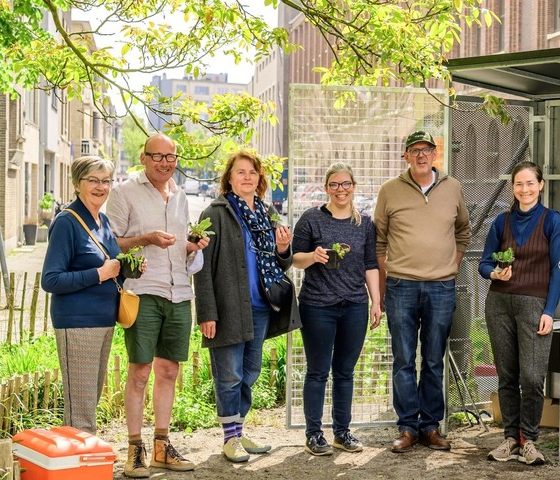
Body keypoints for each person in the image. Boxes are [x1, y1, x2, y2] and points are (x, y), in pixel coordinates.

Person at [108, 133, 210, 478]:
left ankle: (162, 447)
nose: (165, 163)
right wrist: (146, 238)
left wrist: (191, 247)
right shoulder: (123, 193)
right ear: (143, 157)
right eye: (158, 156)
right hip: (143, 291)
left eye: (171, 157)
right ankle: (134, 450)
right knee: (139, 372)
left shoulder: (181, 196)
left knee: (169, 371)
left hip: (179, 292)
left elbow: (177, 246)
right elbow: (113, 243)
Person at [193, 150, 299, 463]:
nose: (247, 177)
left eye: (252, 172)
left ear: (260, 178)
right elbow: (201, 267)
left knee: (250, 372)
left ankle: (238, 432)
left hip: (260, 307)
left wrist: (283, 248)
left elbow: (281, 264)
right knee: (229, 375)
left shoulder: (267, 214)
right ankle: (229, 440)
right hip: (227, 307)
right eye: (240, 172)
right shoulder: (215, 214)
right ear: (229, 178)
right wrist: (207, 313)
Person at [374, 130, 471, 453]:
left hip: (441, 286)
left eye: (426, 150)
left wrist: (452, 266)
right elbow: (379, 242)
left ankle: (430, 426)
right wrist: (387, 282)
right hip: (402, 285)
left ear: (434, 154)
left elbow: (463, 231)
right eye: (414, 150)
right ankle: (407, 427)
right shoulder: (389, 191)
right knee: (403, 358)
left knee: (433, 358)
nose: (421, 155)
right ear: (406, 156)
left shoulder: (452, 187)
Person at [292, 162, 382, 456]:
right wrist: (313, 256)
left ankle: (342, 432)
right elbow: (295, 259)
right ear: (326, 188)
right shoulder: (311, 219)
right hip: (318, 305)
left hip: (354, 305)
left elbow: (370, 264)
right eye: (334, 185)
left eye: (346, 184)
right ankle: (314, 434)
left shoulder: (365, 223)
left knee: (345, 371)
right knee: (317, 371)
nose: (340, 190)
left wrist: (375, 302)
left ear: (353, 187)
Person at [478, 161, 560, 466]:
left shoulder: (553, 221)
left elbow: (558, 269)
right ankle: (511, 439)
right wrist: (494, 274)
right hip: (499, 304)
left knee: (531, 376)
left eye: (530, 183)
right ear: (513, 187)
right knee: (507, 375)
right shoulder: (501, 222)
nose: (524, 189)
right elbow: (484, 264)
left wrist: (550, 311)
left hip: (535, 305)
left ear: (540, 185)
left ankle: (530, 440)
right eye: (518, 184)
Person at [41, 156, 132, 435]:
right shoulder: (67, 221)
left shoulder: (102, 220)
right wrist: (99, 274)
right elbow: (51, 279)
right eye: (92, 180)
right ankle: (80, 466)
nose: (100, 186)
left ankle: (84, 461)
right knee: (80, 410)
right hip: (77, 323)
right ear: (77, 183)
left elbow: (110, 265)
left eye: (106, 181)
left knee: (90, 399)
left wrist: (129, 268)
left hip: (104, 320)